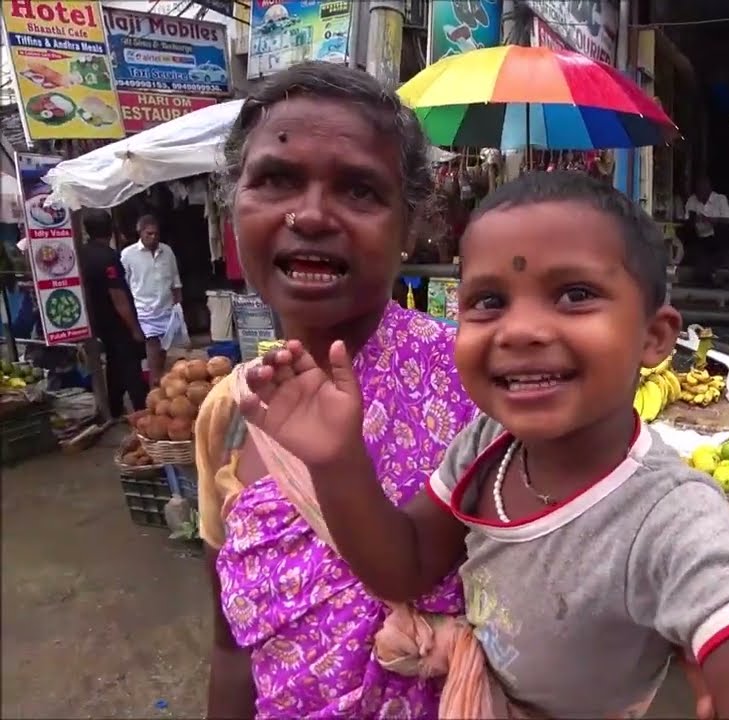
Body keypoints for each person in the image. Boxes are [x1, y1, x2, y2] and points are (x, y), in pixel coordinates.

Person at [240, 170, 729, 717]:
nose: (521, 329)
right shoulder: (487, 443)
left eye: (575, 295)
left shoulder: (671, 520)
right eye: (488, 302)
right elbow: (403, 566)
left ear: (655, 338)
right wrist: (335, 461)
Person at [192, 62, 479, 718]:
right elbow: (234, 647)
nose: (312, 215)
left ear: (411, 227)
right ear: (233, 205)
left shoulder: (476, 388)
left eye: (358, 191)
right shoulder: (226, 416)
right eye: (277, 179)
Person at [79, 209, 147, 420]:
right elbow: (118, 297)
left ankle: (114, 408)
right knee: (131, 365)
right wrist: (135, 329)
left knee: (114, 364)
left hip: (96, 321)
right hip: (116, 322)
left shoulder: (81, 253)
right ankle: (142, 411)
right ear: (110, 230)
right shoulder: (108, 257)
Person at [120, 215, 182, 386]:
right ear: (140, 233)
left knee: (164, 349)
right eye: (149, 234)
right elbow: (123, 285)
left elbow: (175, 280)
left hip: (166, 308)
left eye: (156, 234)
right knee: (152, 345)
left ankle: (159, 380)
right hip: (144, 310)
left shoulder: (167, 251)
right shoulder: (128, 254)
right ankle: (155, 384)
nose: (153, 237)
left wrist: (178, 305)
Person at [679, 175, 729, 283]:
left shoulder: (720, 199)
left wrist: (711, 220)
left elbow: (728, 221)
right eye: (697, 190)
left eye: (702, 190)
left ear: (708, 189)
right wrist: (694, 219)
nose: (699, 193)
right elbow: (686, 221)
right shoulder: (692, 200)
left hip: (716, 236)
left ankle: (718, 262)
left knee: (723, 231)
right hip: (699, 237)